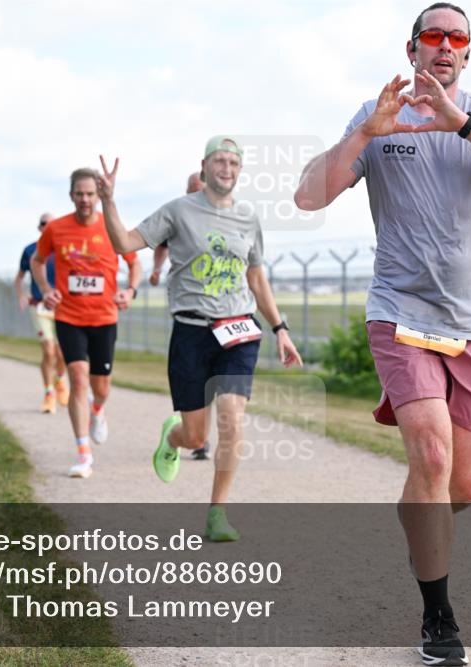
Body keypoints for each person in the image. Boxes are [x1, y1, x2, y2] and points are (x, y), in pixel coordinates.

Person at [294, 4, 471, 665]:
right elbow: (307, 196)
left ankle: (422, 519)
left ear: (467, 53)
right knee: (433, 461)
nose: (444, 46)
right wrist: (363, 138)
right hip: (400, 312)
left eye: (456, 38)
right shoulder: (379, 114)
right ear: (411, 48)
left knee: (462, 485)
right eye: (432, 36)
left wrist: (462, 124)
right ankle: (438, 618)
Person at [98, 137, 303, 542]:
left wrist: (280, 330)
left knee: (231, 416)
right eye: (219, 161)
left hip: (239, 330)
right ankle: (173, 439)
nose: (226, 168)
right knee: (196, 435)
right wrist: (108, 200)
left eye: (233, 162)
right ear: (204, 166)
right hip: (191, 331)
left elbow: (256, 277)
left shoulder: (248, 217)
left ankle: (217, 513)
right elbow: (124, 243)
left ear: (239, 170)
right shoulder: (178, 210)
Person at [30, 168, 142, 479]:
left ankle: (97, 409)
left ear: (98, 196)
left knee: (100, 388)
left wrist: (130, 290)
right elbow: (37, 261)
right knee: (77, 379)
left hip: (104, 317)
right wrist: (46, 289)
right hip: (69, 316)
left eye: (90, 194)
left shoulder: (112, 228)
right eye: (79, 193)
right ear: (71, 196)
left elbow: (135, 264)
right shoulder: (56, 229)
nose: (85, 199)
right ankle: (83, 452)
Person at [150, 171, 212, 461]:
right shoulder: (177, 215)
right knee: (194, 375)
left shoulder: (219, 217)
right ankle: (190, 434)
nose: (196, 195)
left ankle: (200, 439)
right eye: (192, 190)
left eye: (201, 190)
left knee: (213, 377)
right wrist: (155, 269)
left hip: (219, 309)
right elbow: (161, 246)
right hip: (187, 308)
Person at [15, 213, 70, 414]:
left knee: (62, 352)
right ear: (39, 227)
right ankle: (49, 394)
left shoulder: (64, 248)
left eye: (52, 224)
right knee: (48, 350)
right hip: (39, 306)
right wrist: (21, 295)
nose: (48, 227)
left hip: (63, 306)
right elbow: (19, 277)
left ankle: (60, 382)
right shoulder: (31, 250)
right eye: (45, 224)